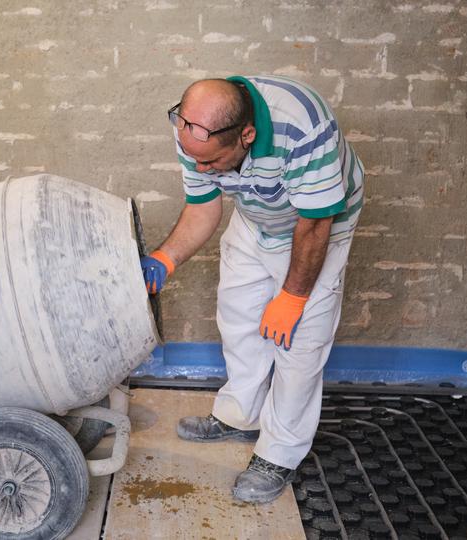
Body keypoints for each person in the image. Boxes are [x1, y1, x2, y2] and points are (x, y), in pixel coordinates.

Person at [140, 76, 364, 503]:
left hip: (318, 223)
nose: (200, 168)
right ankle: (240, 414)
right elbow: (204, 205)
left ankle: (279, 454)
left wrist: (294, 297)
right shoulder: (195, 131)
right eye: (194, 159)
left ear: (247, 134)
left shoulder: (303, 126)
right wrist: (166, 258)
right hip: (257, 214)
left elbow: (315, 222)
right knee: (238, 316)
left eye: (211, 162)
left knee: (299, 345)